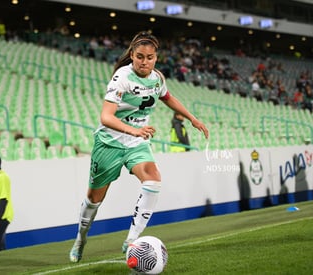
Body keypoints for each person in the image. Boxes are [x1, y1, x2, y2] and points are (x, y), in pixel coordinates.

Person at [69, 31, 209, 263]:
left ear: (156, 58)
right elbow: (106, 117)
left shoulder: (157, 78)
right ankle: (80, 238)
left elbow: (167, 97)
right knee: (94, 199)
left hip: (137, 143)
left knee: (153, 179)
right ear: (132, 56)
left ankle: (132, 239)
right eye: (140, 57)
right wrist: (134, 130)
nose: (145, 62)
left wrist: (192, 118)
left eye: (150, 57)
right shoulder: (121, 77)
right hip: (109, 142)